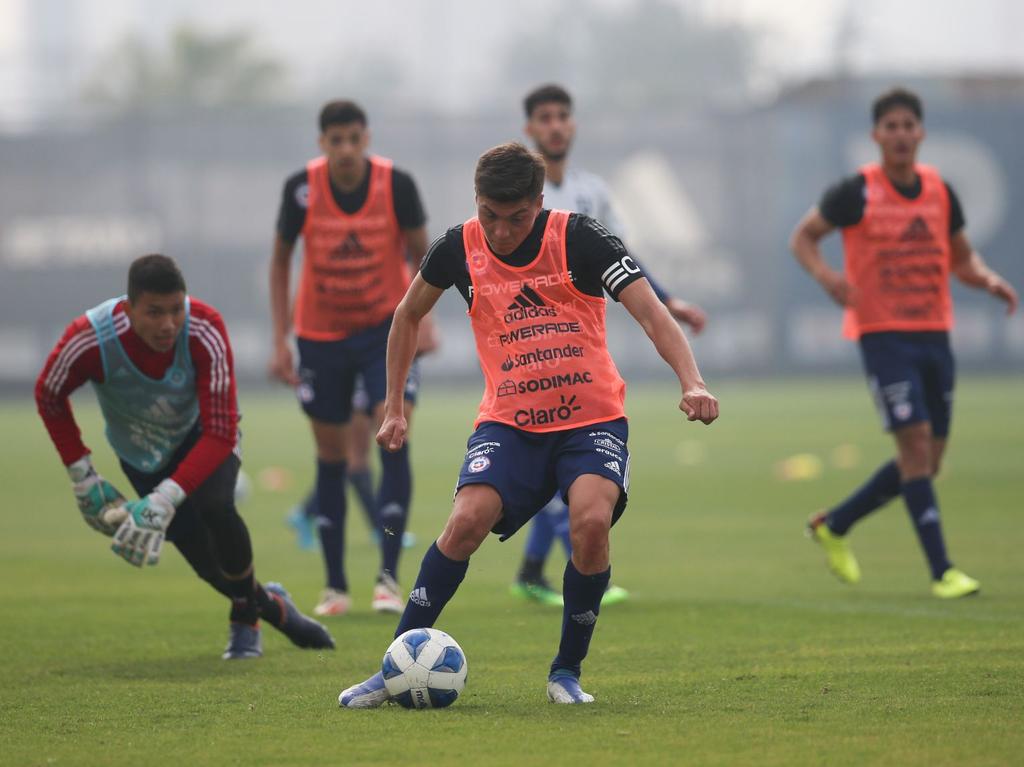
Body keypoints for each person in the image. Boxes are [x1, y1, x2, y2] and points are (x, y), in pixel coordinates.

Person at [339, 142, 718, 707]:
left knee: (591, 524)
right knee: (465, 521)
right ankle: (392, 669)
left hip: (591, 421)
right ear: (477, 202)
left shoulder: (582, 238)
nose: (502, 231)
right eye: (490, 215)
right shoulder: (458, 247)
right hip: (510, 424)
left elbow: (650, 312)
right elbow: (407, 315)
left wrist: (692, 380)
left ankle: (566, 672)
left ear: (539, 203)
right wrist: (394, 406)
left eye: (517, 218)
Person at [35, 254, 335, 659]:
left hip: (204, 440)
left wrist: (164, 497)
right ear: (127, 309)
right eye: (154, 312)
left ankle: (245, 621)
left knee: (216, 507)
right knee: (207, 564)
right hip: (141, 456)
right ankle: (274, 607)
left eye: (176, 310)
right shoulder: (91, 338)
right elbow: (49, 393)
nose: (168, 324)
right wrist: (82, 476)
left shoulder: (205, 328)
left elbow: (221, 431)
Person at [790, 87, 1018, 599]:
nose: (899, 135)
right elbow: (803, 237)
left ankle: (836, 523)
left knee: (927, 461)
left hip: (934, 336)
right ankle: (943, 572)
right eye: (889, 127)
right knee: (914, 448)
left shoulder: (940, 191)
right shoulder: (857, 192)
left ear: (921, 133)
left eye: (907, 126)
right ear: (876, 136)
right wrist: (828, 278)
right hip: (883, 336)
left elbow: (962, 258)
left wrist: (988, 279)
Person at [511, 83, 708, 608]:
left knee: (572, 464)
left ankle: (539, 569)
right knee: (562, 463)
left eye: (562, 117)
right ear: (530, 128)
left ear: (572, 125)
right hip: (530, 348)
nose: (555, 126)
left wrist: (670, 302)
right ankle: (560, 568)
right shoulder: (519, 195)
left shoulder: (593, 192)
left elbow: (624, 258)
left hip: (581, 342)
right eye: (544, 118)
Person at [268, 100, 432, 616]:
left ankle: (387, 579)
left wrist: (421, 322)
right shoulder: (301, 188)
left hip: (385, 331)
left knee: (392, 433)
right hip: (319, 335)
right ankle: (335, 585)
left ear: (367, 138)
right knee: (332, 456)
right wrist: (281, 338)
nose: (344, 149)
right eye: (334, 140)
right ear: (322, 143)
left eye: (353, 139)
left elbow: (425, 258)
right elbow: (280, 261)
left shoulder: (397, 185)